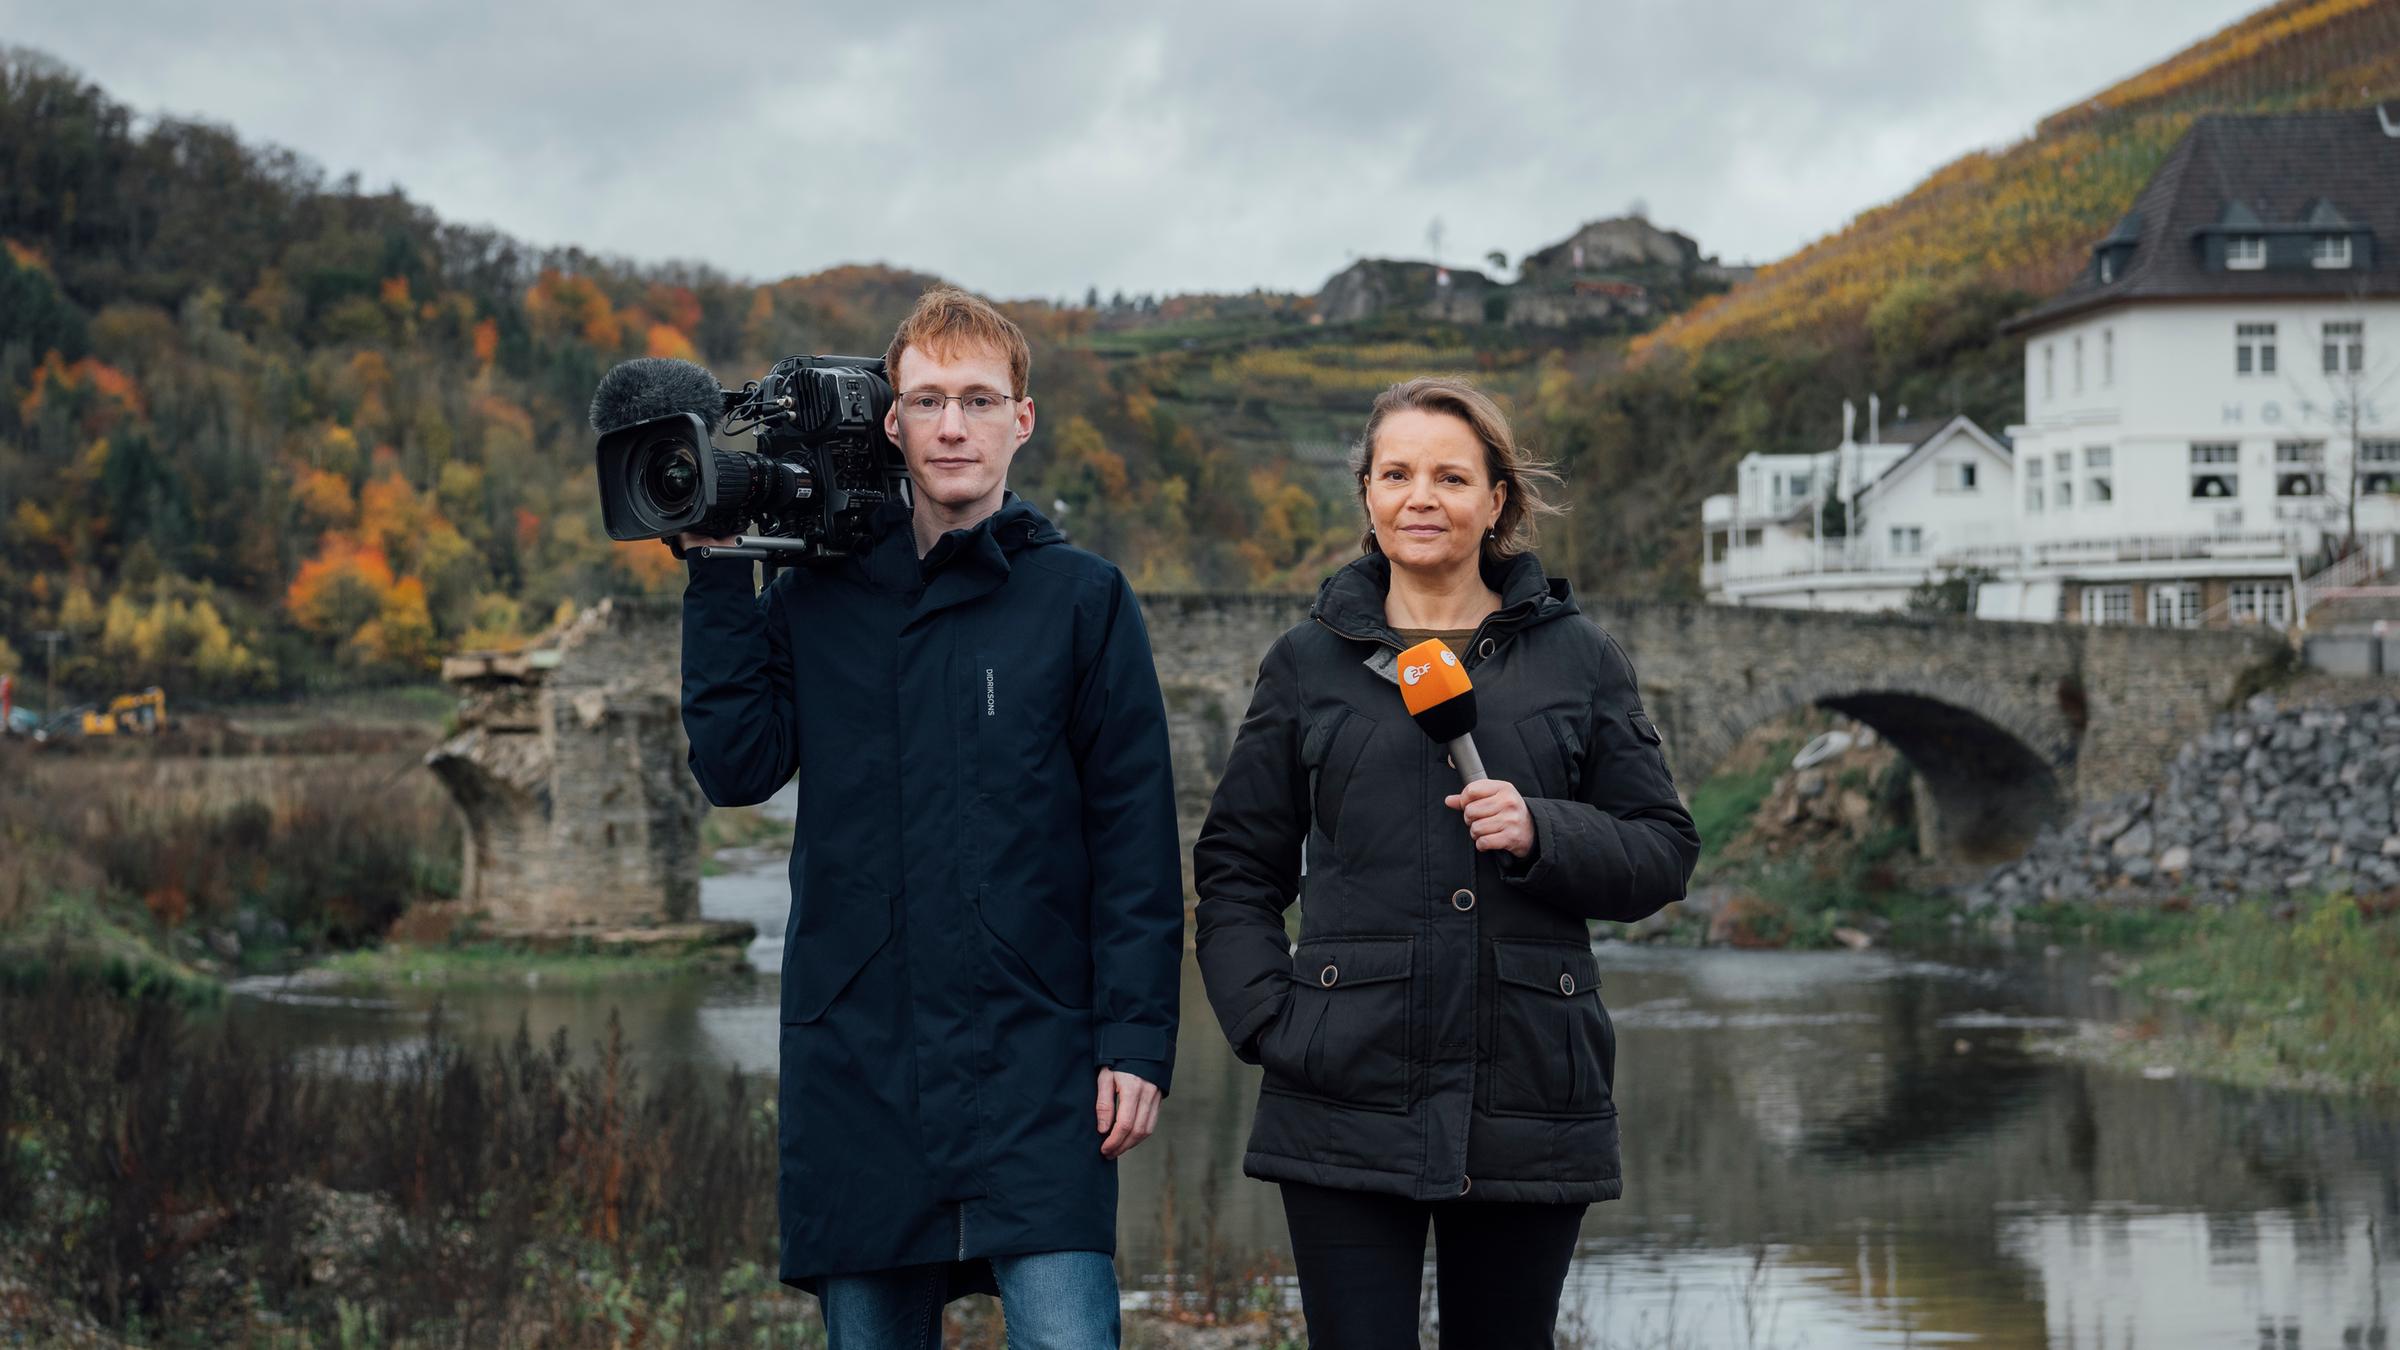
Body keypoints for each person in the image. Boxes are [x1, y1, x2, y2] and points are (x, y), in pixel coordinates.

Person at [679, 286, 1183, 1349]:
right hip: (859, 1064)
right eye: (929, 401)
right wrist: (722, 578)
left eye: (979, 400)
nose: (954, 425)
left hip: (1040, 1061)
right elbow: (736, 769)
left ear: (1022, 419)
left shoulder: (1084, 601)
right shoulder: (815, 598)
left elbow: (1135, 844)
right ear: (891, 422)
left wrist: (1135, 1043)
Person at [1192, 375, 1700, 1347]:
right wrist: (1269, 1022)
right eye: (1397, 473)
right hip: (1341, 1085)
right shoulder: (1306, 662)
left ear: (1497, 499)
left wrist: (1547, 831)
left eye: (1451, 476)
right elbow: (1237, 868)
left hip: (1531, 1093)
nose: (1421, 496)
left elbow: (1662, 850)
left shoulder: (1580, 658)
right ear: (1368, 495)